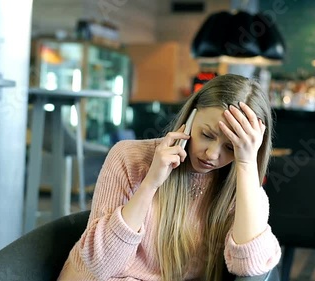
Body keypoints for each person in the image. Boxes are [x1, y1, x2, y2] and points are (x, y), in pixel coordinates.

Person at [58, 74, 281, 280]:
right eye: (206, 135)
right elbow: (100, 264)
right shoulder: (128, 157)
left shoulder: (245, 191)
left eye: (231, 148)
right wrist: (150, 183)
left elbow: (251, 266)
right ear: (191, 116)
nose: (212, 154)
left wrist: (246, 164)